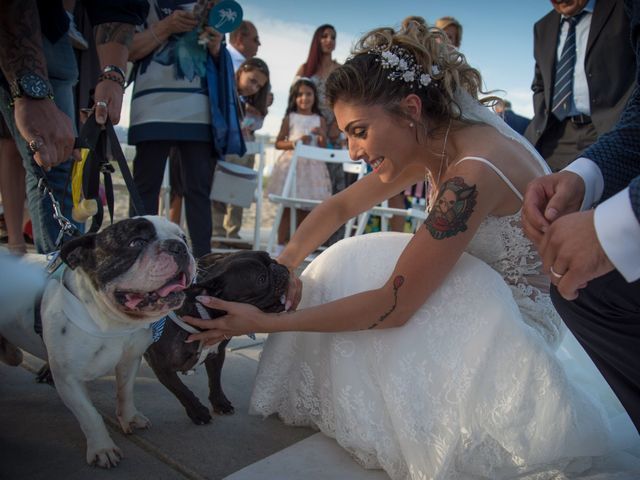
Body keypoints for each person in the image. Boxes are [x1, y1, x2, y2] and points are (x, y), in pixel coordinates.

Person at [184, 20, 638, 479]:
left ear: (411, 108)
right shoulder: (431, 141)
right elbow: (340, 204)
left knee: (364, 262)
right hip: (479, 298)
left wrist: (265, 321)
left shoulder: (473, 168)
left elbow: (394, 305)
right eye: (346, 135)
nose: (354, 150)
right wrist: (282, 269)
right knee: (349, 257)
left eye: (359, 131)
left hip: (516, 322)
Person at [522, 0, 640, 434]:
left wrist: (618, 224)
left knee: (594, 285)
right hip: (566, 141)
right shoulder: (542, 28)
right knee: (580, 289)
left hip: (606, 126)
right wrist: (581, 176)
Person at [0, 0, 147, 254]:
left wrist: (113, 73)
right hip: (24, 31)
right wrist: (32, 90)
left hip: (53, 35)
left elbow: (119, 6)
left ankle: (66, 275)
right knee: (48, 161)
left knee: (58, 163)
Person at [127, 1, 236, 258]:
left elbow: (215, 51)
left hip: (199, 106)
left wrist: (214, 42)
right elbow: (127, 49)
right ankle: (135, 257)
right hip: (150, 104)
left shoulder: (211, 4)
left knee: (198, 189)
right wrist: (166, 26)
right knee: (144, 188)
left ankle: (203, 263)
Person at [524, 0, 635, 172]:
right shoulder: (542, 27)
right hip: (557, 135)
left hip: (610, 131)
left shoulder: (624, 7)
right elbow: (539, 85)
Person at [267, 78, 331, 251]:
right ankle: (280, 246)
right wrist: (296, 142)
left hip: (313, 168)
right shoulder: (291, 118)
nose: (304, 98)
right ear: (294, 98)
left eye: (308, 94)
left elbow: (324, 147)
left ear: (314, 96)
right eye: (300, 94)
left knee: (306, 208)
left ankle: (297, 246)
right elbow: (278, 143)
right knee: (287, 207)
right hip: (292, 167)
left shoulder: (320, 119)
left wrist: (322, 135)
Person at [211, 56, 271, 244]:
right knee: (220, 190)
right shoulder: (226, 94)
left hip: (247, 151)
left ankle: (233, 232)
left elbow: (255, 124)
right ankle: (217, 231)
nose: (254, 87)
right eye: (252, 81)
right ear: (241, 72)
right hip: (228, 149)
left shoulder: (254, 104)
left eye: (259, 86)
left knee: (240, 191)